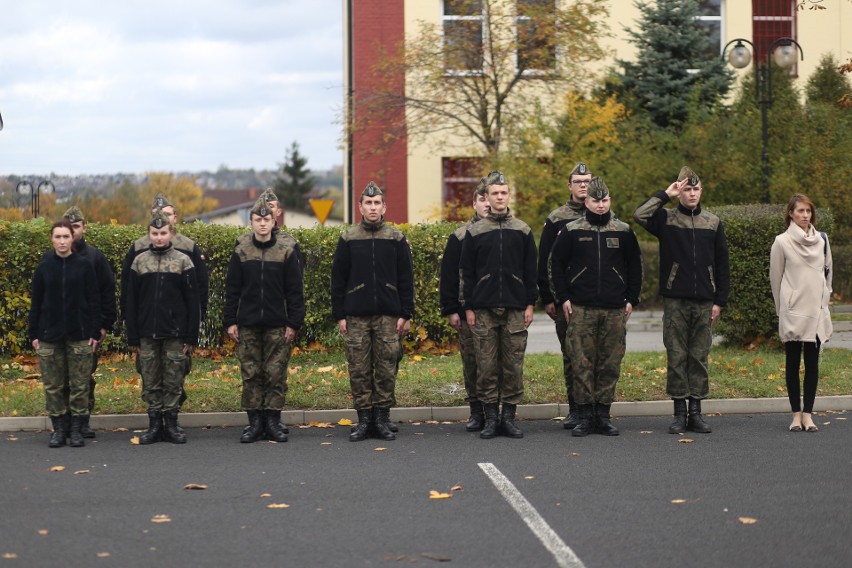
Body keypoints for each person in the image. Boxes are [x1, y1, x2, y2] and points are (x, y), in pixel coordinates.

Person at [633, 166, 730, 434]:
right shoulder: (666, 219)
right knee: (676, 356)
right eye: (687, 188)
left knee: (699, 357)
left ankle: (696, 412)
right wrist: (665, 194)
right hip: (676, 300)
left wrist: (719, 300)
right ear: (680, 191)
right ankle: (678, 413)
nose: (692, 194)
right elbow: (639, 214)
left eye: (695, 189)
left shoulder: (712, 222)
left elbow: (722, 263)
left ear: (702, 191)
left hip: (704, 301)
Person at [550, 178, 642, 436]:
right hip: (581, 308)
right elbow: (555, 264)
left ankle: (603, 415)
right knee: (581, 363)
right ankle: (584, 416)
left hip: (614, 309)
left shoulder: (623, 230)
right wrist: (563, 297)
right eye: (595, 200)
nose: (600, 205)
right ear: (586, 201)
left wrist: (631, 299)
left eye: (604, 200)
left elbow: (635, 267)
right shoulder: (571, 230)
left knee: (609, 363)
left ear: (609, 200)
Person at [331, 181, 414, 442]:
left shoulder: (395, 238)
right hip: (356, 315)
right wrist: (340, 315)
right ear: (360, 207)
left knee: (386, 367)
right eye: (368, 203)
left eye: (377, 202)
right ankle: (364, 419)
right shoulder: (349, 238)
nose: (373, 207)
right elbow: (338, 278)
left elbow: (406, 278)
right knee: (359, 368)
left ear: (384, 207)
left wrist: (406, 313)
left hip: (388, 316)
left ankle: (382, 418)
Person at [460, 170, 537, 439]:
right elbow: (466, 273)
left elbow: (531, 271)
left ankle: (509, 418)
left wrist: (530, 304)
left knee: (513, 366)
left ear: (508, 196)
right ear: (487, 197)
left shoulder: (522, 230)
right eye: (495, 193)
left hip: (516, 308)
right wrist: (468, 307)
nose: (500, 197)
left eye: (503, 193)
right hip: (483, 309)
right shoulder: (475, 231)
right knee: (486, 367)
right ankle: (491, 418)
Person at [224, 197, 305, 443]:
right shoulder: (241, 250)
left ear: (273, 220)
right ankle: (254, 423)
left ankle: (272, 422)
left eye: (266, 219)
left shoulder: (285, 251)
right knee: (251, 374)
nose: (262, 224)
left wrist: (293, 323)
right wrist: (230, 321)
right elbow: (232, 289)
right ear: (251, 222)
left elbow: (294, 291)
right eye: (257, 219)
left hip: (277, 324)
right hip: (247, 324)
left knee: (275, 373)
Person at [125, 210, 200, 444]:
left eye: (163, 233)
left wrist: (191, 335)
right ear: (149, 234)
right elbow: (131, 302)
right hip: (147, 333)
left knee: (173, 380)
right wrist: (133, 336)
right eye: (155, 233)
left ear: (171, 233)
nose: (159, 237)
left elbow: (192, 302)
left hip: (175, 334)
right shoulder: (139, 262)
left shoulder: (183, 261)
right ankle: (154, 425)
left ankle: (172, 424)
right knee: (150, 380)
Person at [28, 221, 100, 448]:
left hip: (79, 335)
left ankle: (77, 428)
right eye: (57, 237)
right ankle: (59, 428)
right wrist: (34, 334)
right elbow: (36, 304)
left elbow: (94, 300)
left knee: (80, 385)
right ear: (51, 239)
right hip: (49, 335)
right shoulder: (44, 268)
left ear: (72, 239)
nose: (61, 241)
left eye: (65, 237)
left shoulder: (84, 266)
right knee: (53, 386)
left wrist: (94, 332)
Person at [770, 194, 833, 433]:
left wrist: (823, 304)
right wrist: (782, 309)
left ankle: (808, 414)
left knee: (813, 364)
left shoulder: (822, 240)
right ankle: (795, 414)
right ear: (790, 214)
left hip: (816, 312)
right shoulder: (781, 242)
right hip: (793, 311)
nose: (805, 215)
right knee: (793, 363)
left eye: (808, 211)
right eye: (800, 211)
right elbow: (775, 278)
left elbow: (828, 275)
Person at [537, 162, 592, 429]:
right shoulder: (557, 217)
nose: (584, 185)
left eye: (587, 181)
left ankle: (594, 410)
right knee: (571, 356)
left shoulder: (604, 213)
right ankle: (575, 408)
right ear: (569, 185)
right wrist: (548, 297)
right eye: (579, 181)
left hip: (596, 300)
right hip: (566, 299)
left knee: (596, 357)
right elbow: (546, 259)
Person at [55, 206, 116, 439]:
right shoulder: (52, 258)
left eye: (76, 227)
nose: (72, 232)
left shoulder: (95, 258)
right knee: (61, 379)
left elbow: (106, 293)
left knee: (84, 377)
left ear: (84, 228)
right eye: (68, 228)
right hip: (60, 330)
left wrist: (103, 325)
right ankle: (64, 422)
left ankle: (82, 420)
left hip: (88, 330)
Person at [439, 178, 489, 431]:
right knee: (472, 362)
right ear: (474, 203)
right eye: (482, 200)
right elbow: (448, 275)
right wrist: (451, 309)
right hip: (467, 309)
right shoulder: (460, 236)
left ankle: (497, 411)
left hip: (498, 308)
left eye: (491, 198)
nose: (488, 204)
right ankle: (476, 411)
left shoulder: (509, 231)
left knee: (498, 364)